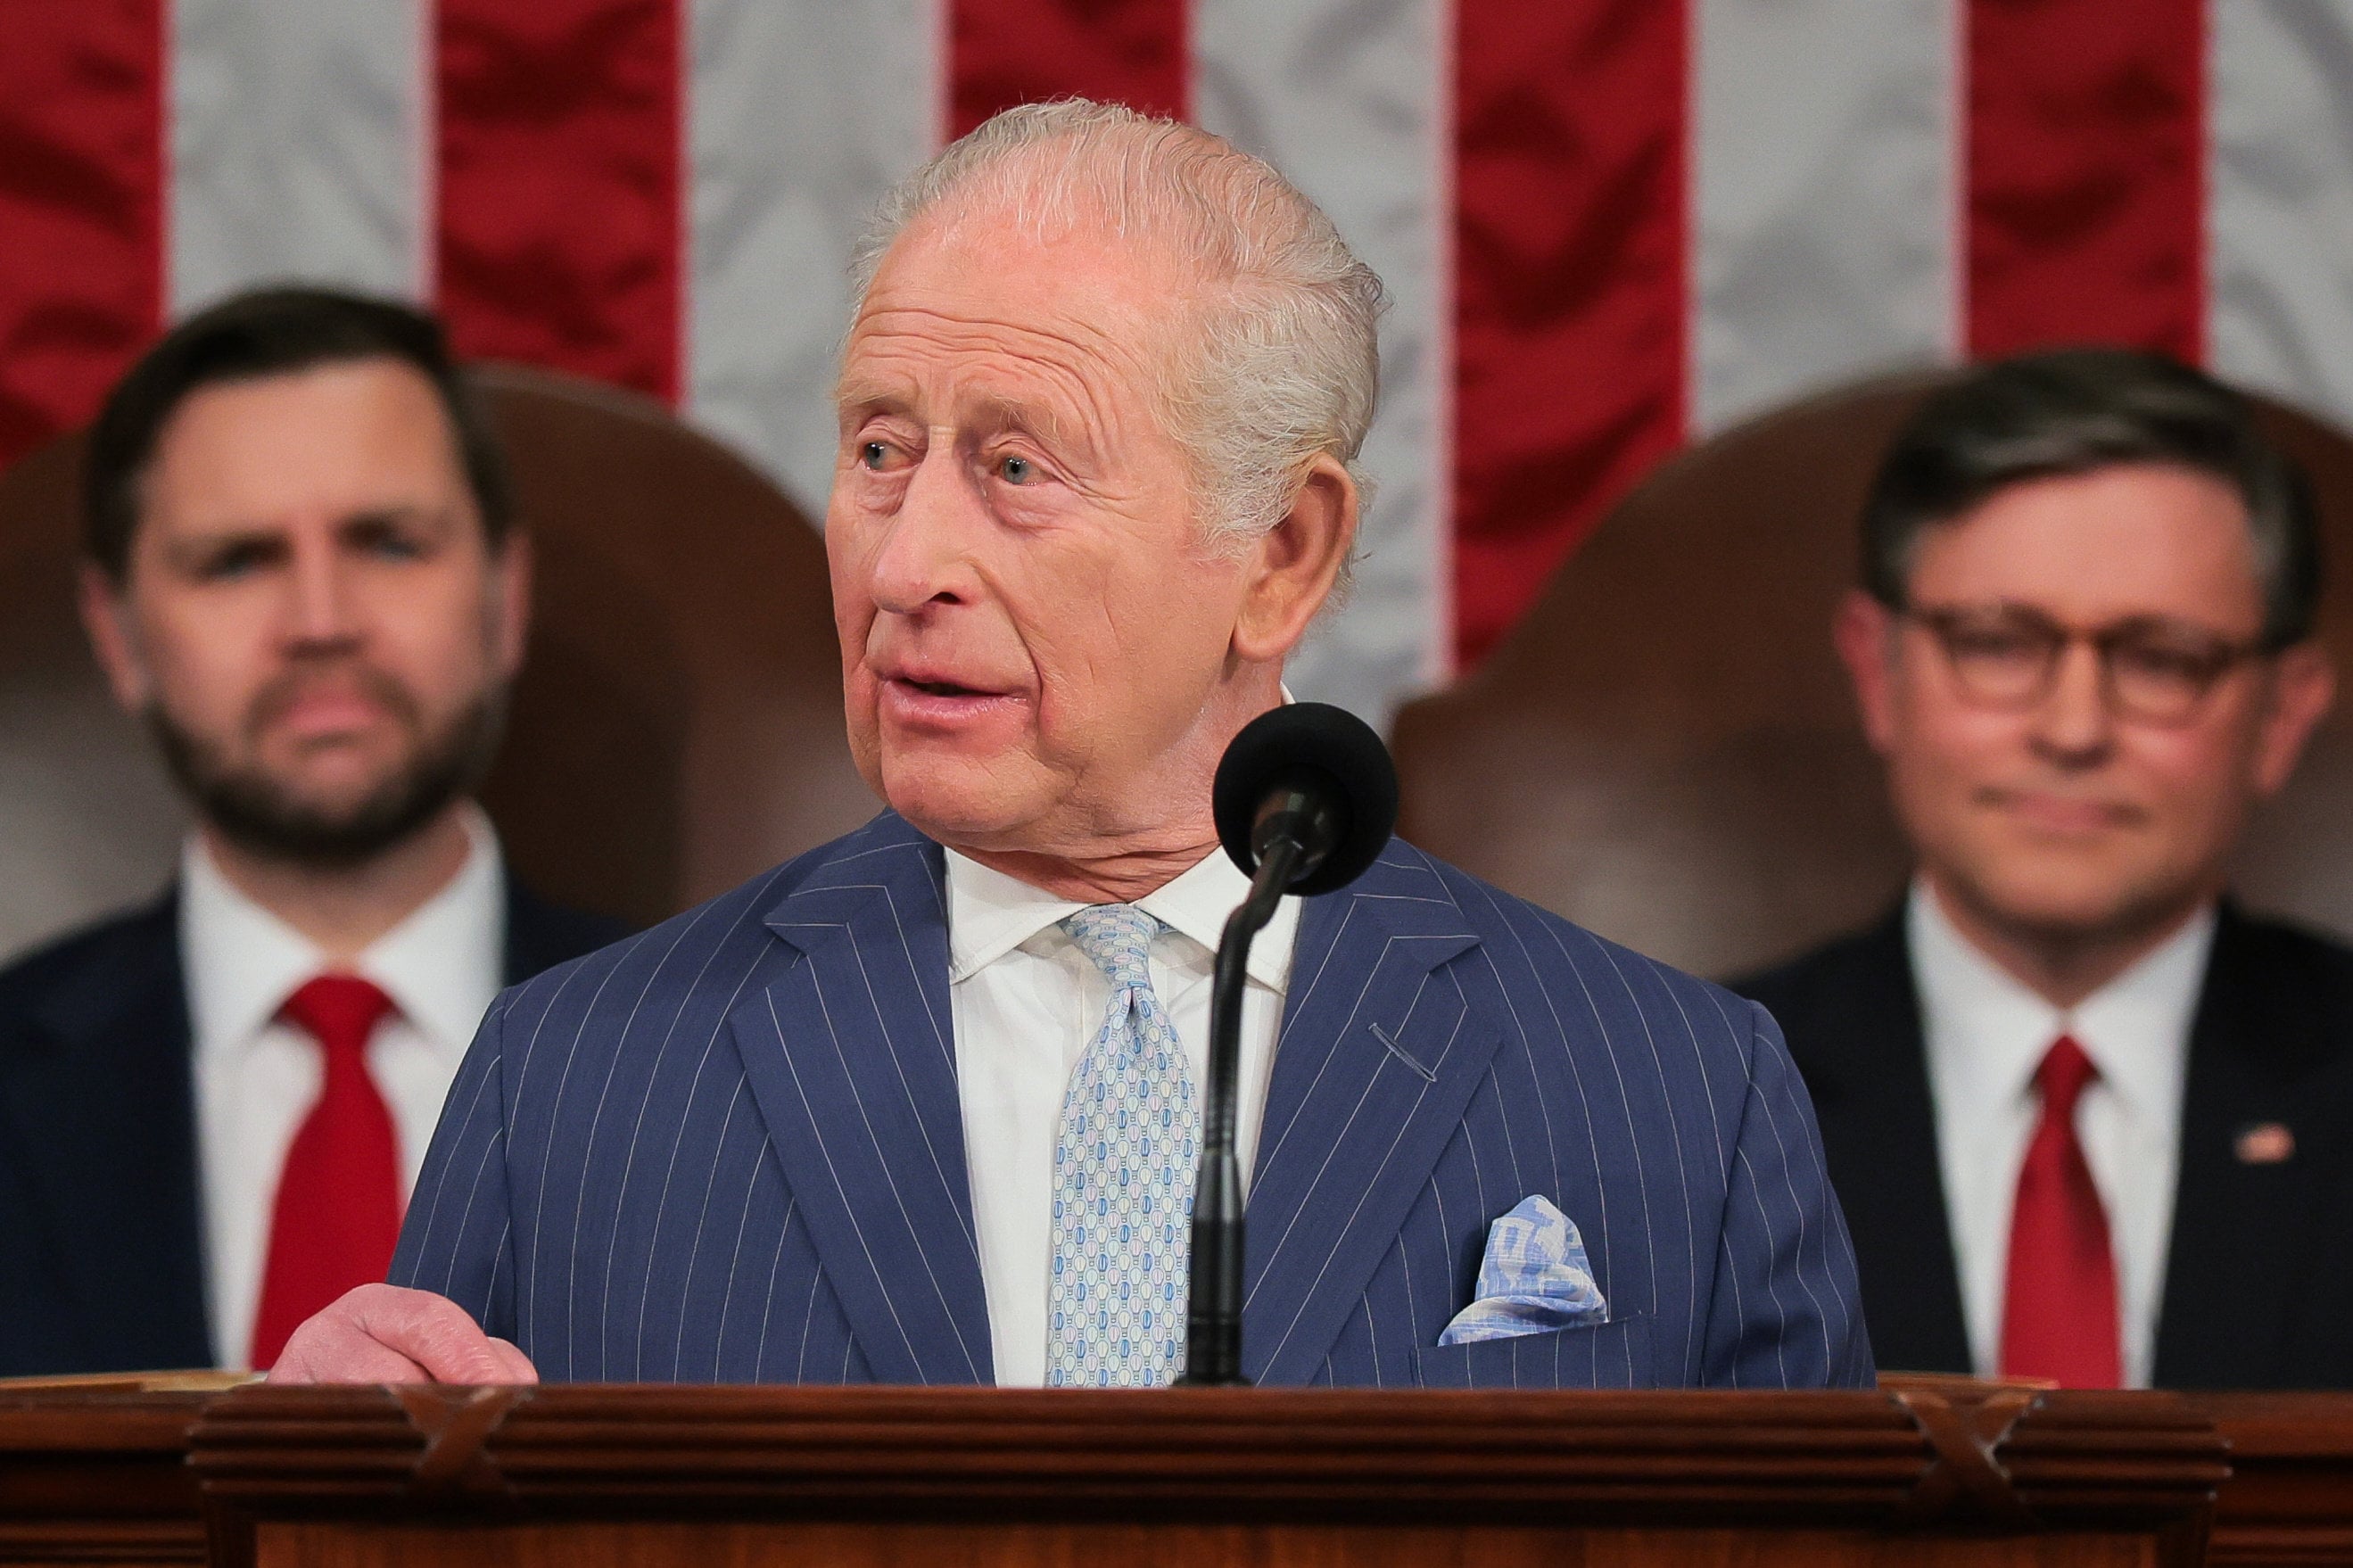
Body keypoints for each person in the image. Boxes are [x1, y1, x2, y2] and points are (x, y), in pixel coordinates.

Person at [272, 101, 1868, 1391]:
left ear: (1284, 551)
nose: (903, 566)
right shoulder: (576, 1089)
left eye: (1017, 467)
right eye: (879, 450)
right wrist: (330, 1506)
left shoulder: (1671, 1096)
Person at [0, 288, 626, 1377]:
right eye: (236, 561)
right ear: (119, 636)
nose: (322, 622)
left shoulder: (735, 1060)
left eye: (388, 543)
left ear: (505, 596)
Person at [1739, 347, 2353, 1390]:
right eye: (1997, 642)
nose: (2073, 728)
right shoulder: (1691, 1098)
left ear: (2283, 713)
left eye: (2162, 659)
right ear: (1877, 669)